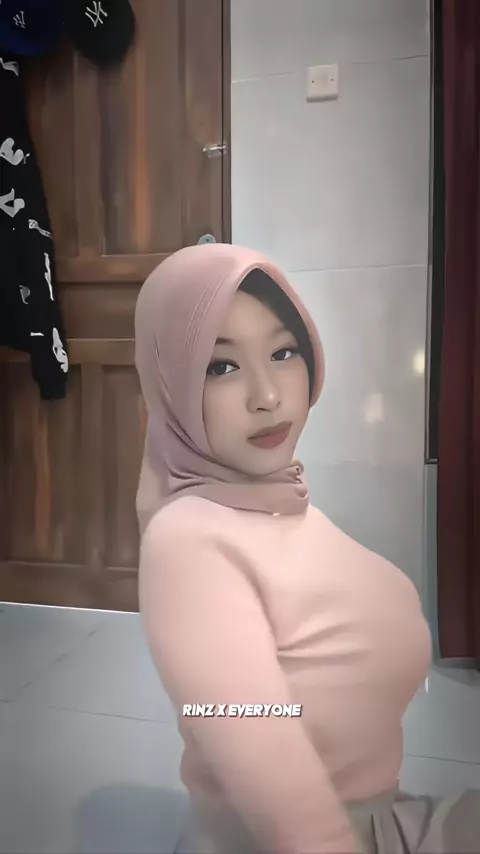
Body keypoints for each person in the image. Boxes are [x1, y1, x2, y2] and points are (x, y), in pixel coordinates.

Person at [135, 243, 479, 854]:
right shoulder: (187, 539)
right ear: (171, 383)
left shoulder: (280, 504)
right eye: (221, 367)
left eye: (283, 352)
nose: (267, 395)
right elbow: (255, 742)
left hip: (384, 821)